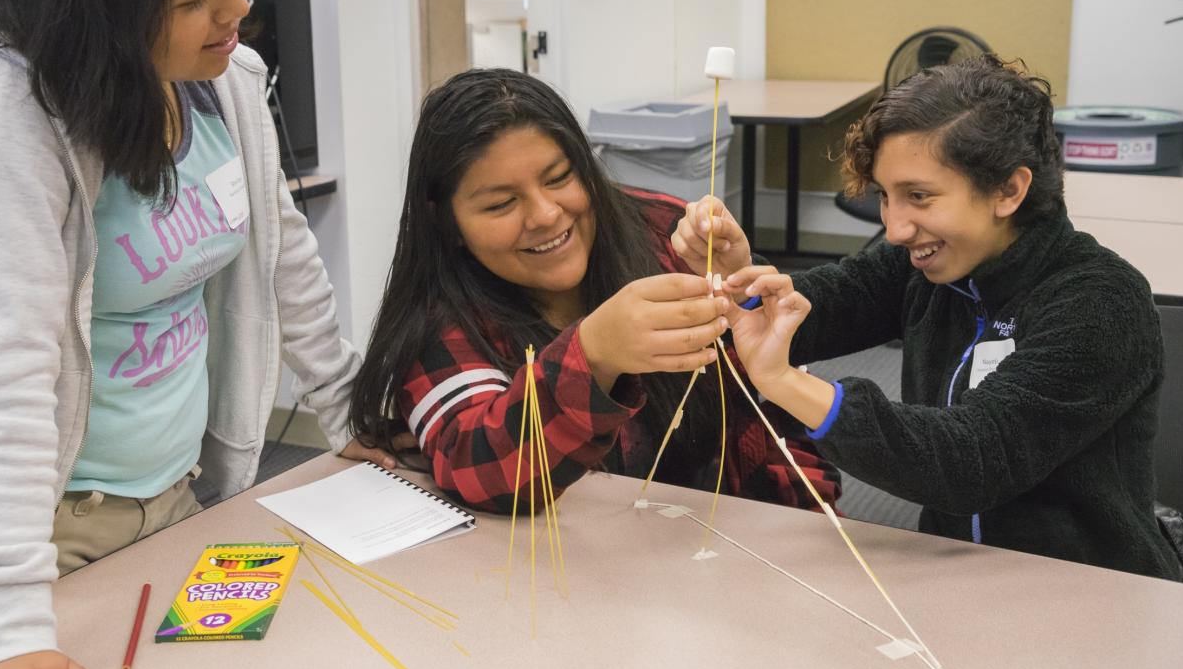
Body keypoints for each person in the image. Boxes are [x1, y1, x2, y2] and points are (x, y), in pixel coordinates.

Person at [0, 0, 403, 669]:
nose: (238, 5)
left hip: (185, 492)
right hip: (49, 530)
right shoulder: (11, 130)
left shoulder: (226, 85)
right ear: (91, 20)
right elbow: (4, 376)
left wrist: (352, 413)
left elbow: (286, 262)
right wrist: (11, 634)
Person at [673, 55, 1183, 580]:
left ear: (1009, 190)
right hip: (954, 574)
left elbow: (974, 459)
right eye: (885, 197)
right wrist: (746, 282)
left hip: (1090, 586)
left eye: (918, 196)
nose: (894, 228)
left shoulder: (1100, 302)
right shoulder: (925, 267)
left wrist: (782, 382)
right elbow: (827, 303)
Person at [348, 68, 840, 516]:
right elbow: (483, 468)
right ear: (447, 221)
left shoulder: (664, 231)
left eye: (559, 178)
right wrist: (595, 354)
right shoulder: (439, 321)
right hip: (581, 586)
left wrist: (745, 295)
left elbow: (768, 405)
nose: (545, 215)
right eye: (501, 204)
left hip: (733, 540)